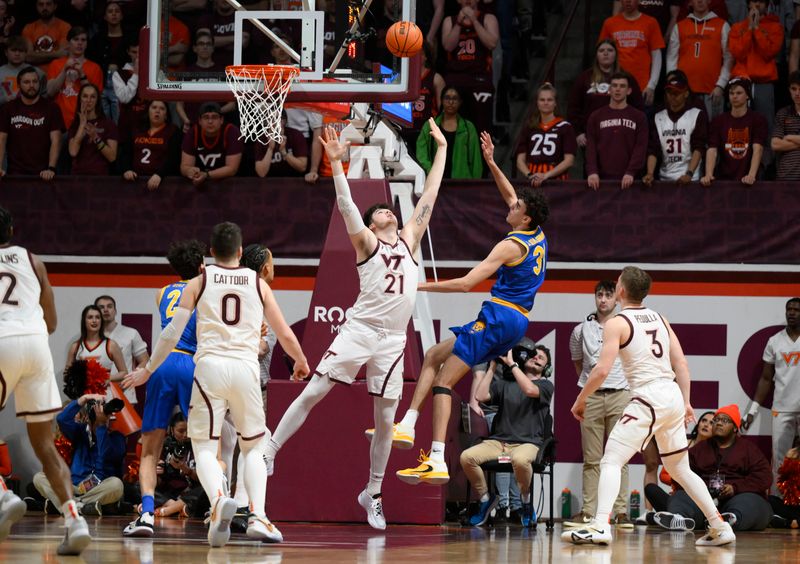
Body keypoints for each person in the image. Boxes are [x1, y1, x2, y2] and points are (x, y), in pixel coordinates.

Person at [264, 120, 448, 531]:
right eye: (380, 210)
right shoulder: (366, 243)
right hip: (360, 330)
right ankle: (270, 449)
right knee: (316, 389)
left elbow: (430, 194)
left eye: (388, 209)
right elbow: (348, 207)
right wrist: (336, 166)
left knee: (385, 421)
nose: (387, 210)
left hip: (393, 341)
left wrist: (441, 151)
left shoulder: (410, 239)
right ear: (372, 223)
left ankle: (373, 493)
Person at [124, 222, 310, 547]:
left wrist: (148, 369)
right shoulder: (257, 283)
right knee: (253, 444)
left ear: (211, 252)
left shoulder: (199, 281)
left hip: (209, 367)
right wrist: (300, 361)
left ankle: (219, 498)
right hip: (244, 368)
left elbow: (170, 334)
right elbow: (284, 332)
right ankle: (259, 516)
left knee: (206, 446)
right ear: (240, 251)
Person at [394, 133, 549, 487]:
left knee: (445, 381)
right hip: (515, 319)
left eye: (515, 209)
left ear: (523, 219)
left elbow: (466, 283)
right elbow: (512, 194)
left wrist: (418, 284)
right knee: (434, 355)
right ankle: (407, 424)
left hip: (500, 317)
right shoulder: (537, 233)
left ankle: (435, 459)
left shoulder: (511, 245)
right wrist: (493, 162)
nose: (509, 206)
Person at [562, 266, 735, 547]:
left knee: (611, 460)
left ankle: (599, 525)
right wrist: (687, 401)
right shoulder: (660, 318)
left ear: (621, 290)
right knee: (680, 469)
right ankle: (720, 525)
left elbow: (601, 370)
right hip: (672, 396)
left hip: (647, 398)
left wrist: (580, 399)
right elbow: (681, 364)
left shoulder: (616, 323)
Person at [0, 205, 91, 555]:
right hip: (37, 346)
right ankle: (74, 520)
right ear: (12, 229)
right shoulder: (32, 259)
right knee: (45, 446)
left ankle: (4, 497)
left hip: (3, 340)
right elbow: (51, 321)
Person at [122, 239, 205, 538]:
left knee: (149, 450)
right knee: (209, 446)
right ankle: (221, 507)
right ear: (200, 266)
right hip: (190, 362)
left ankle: (145, 514)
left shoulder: (162, 293)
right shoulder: (202, 288)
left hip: (161, 365)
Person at [462, 340, 554, 528]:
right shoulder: (504, 384)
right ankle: (486, 499)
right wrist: (492, 366)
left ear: (546, 368)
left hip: (528, 443)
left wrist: (512, 364)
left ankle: (526, 502)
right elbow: (480, 397)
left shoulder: (545, 385)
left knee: (520, 460)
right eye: (534, 354)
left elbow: (529, 389)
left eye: (541, 358)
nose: (536, 357)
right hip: (499, 442)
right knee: (467, 457)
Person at [565, 281, 632, 529]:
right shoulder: (580, 330)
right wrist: (588, 388)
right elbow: (578, 363)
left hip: (620, 395)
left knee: (620, 456)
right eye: (599, 295)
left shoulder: (625, 326)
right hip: (592, 396)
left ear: (617, 298)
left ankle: (621, 512)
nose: (603, 299)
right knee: (592, 458)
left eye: (608, 295)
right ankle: (589, 511)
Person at [653, 404, 773, 532]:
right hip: (705, 500)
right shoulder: (698, 449)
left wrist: (735, 487)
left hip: (737, 496)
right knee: (681, 495)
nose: (719, 423)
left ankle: (731, 520)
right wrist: (702, 488)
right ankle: (680, 519)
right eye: (716, 420)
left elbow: (764, 477)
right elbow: (679, 475)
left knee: (752, 502)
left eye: (724, 420)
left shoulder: (748, 449)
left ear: (734, 428)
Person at [33, 392, 126, 516]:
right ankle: (82, 507)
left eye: (107, 416)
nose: (106, 418)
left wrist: (101, 427)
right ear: (87, 418)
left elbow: (105, 454)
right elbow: (61, 419)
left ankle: (69, 505)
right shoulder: (80, 432)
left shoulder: (117, 438)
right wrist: (82, 400)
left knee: (117, 484)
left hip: (99, 488)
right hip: (73, 487)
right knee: (39, 477)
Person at [742, 297, 800, 495]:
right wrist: (752, 411)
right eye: (789, 309)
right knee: (779, 459)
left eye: (796, 310)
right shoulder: (775, 341)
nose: (792, 313)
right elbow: (766, 379)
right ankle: (777, 502)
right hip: (782, 407)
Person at [567, 39, 644, 150]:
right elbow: (573, 107)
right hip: (592, 136)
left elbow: (638, 107)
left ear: (616, 54)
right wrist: (578, 132)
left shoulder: (626, 78)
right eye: (601, 50)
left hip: (621, 134)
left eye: (610, 50)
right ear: (596, 55)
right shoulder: (584, 78)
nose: (606, 53)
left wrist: (633, 131)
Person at [727, 0, 783, 147]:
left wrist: (756, 28)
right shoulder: (737, 27)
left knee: (765, 124)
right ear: (748, 4)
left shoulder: (775, 26)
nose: (757, 5)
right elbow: (738, 53)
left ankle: (764, 166)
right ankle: (739, 164)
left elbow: (768, 52)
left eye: (760, 2)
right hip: (741, 81)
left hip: (764, 83)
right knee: (739, 125)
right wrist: (749, 29)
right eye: (753, 1)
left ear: (767, 4)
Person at [640, 410, 715, 520]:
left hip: (699, 499)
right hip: (678, 494)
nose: (706, 424)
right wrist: (679, 481)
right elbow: (664, 475)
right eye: (704, 420)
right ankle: (671, 517)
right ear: (698, 423)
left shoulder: (714, 451)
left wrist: (684, 481)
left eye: (711, 423)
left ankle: (667, 518)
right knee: (651, 489)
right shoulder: (683, 443)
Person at [440, 0, 499, 137]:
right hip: (455, 77)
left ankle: (483, 157)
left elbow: (491, 43)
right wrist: (459, 23)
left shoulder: (488, 18)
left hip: (479, 78)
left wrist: (474, 20)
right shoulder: (450, 20)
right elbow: (448, 46)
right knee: (452, 126)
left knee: (482, 128)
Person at [666, 0, 732, 119]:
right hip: (684, 91)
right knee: (685, 131)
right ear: (690, 2)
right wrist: (674, 84)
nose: (700, 1)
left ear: (709, 1)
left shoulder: (722, 25)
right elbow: (671, 58)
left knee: (713, 131)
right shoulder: (679, 26)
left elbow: (729, 59)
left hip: (712, 91)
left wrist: (721, 85)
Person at [642, 71, 708, 186]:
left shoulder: (696, 115)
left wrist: (689, 174)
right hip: (664, 179)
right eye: (669, 92)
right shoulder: (658, 117)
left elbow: (699, 148)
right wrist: (650, 173)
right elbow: (653, 149)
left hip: (691, 180)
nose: (672, 96)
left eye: (677, 92)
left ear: (686, 94)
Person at [585, 71, 649, 190]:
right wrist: (592, 171)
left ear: (629, 91)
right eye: (614, 86)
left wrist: (631, 171)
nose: (618, 89)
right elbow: (591, 147)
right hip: (600, 180)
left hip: (630, 180)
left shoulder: (639, 117)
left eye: (622, 86)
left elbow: (640, 147)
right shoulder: (596, 116)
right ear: (609, 89)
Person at [701, 76, 767, 186]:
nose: (734, 96)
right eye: (731, 93)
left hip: (749, 182)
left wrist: (751, 175)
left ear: (748, 96)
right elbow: (712, 149)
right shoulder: (718, 121)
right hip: (724, 180)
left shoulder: (758, 120)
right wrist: (708, 174)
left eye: (739, 93)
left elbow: (758, 149)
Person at [598, 0, 665, 105]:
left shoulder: (651, 22)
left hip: (642, 87)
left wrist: (651, 86)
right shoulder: (609, 23)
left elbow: (657, 56)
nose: (628, 1)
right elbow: (601, 55)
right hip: (615, 86)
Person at [0, 66, 63, 179]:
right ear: (19, 85)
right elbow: (1, 139)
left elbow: (56, 140)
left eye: (35, 81)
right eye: (26, 82)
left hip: (43, 174)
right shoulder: (8, 109)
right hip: (15, 174)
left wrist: (51, 168)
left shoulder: (52, 108)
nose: (31, 85)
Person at [514, 83, 577, 187]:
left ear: (555, 102)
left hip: (557, 181)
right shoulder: (529, 127)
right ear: (537, 103)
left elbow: (569, 161)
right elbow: (520, 160)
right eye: (542, 100)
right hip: (532, 180)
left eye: (550, 100)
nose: (546, 103)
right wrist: (530, 175)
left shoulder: (565, 127)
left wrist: (546, 175)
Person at [416, 86, 482, 179]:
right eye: (447, 98)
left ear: (460, 102)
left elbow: (476, 161)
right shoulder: (430, 125)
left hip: (461, 185)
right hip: (434, 182)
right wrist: (431, 171)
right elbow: (421, 154)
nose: (451, 102)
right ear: (442, 100)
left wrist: (475, 185)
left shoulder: (468, 128)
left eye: (455, 98)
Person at [94, 294, 148, 405]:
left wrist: (130, 379)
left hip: (124, 395)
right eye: (101, 307)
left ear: (115, 310)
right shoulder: (90, 338)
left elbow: (145, 361)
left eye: (109, 306)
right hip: (96, 396)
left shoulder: (131, 333)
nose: (105, 310)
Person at [45, 26, 103, 129]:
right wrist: (64, 70)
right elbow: (50, 92)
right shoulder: (56, 64)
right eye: (76, 39)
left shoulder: (95, 68)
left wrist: (82, 74)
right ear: (68, 43)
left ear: (86, 44)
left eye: (83, 40)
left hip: (85, 122)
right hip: (59, 121)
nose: (80, 43)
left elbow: (95, 99)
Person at [179, 101, 243, 187]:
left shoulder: (231, 131)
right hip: (199, 182)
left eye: (214, 117)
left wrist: (206, 175)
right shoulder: (193, 132)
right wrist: (189, 171)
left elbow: (232, 169)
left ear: (221, 120)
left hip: (227, 183)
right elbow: (184, 166)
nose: (210, 121)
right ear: (200, 121)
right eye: (206, 117)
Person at [122, 99, 181, 190]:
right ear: (148, 111)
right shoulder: (136, 130)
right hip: (135, 181)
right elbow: (126, 153)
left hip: (162, 182)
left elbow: (174, 158)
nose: (157, 111)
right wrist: (126, 169)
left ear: (166, 115)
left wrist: (160, 174)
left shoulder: (173, 131)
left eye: (162, 108)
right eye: (154, 107)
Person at [64, 305, 127, 380]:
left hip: (105, 391)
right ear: (84, 321)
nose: (94, 321)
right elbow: (66, 374)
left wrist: (108, 378)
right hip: (83, 392)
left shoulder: (111, 345)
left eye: (97, 317)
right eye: (90, 317)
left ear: (101, 321)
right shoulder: (75, 346)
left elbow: (124, 373)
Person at [67, 83, 118, 175]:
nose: (88, 100)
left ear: (97, 100)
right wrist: (82, 124)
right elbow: (73, 152)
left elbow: (112, 157)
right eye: (85, 96)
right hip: (77, 177)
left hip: (100, 178)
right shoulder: (75, 125)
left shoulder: (108, 124)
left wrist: (96, 138)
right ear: (80, 99)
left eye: (93, 97)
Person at [254, 113, 308, 178]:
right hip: (270, 181)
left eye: (278, 118)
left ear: (284, 121)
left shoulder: (295, 135)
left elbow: (302, 167)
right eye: (271, 119)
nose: (275, 122)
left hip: (293, 180)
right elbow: (261, 173)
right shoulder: (261, 139)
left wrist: (284, 153)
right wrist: (270, 149)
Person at [0, 36, 47, 105]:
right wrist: (4, 99)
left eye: (21, 51)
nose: (17, 54)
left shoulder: (37, 73)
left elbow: (45, 95)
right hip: (5, 112)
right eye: (13, 50)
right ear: (6, 52)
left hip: (32, 112)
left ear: (26, 53)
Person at [770, 72, 800, 181]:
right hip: (786, 177)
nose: (797, 93)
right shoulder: (783, 113)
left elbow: (781, 142)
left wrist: (789, 137)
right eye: (794, 89)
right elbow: (775, 144)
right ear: (789, 90)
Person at [22, 0, 70, 67]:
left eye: (48, 4)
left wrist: (36, 55)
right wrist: (56, 54)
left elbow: (63, 55)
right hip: (34, 74)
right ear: (36, 6)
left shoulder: (65, 27)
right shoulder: (28, 28)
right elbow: (28, 57)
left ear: (55, 6)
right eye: (41, 4)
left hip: (58, 72)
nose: (44, 7)